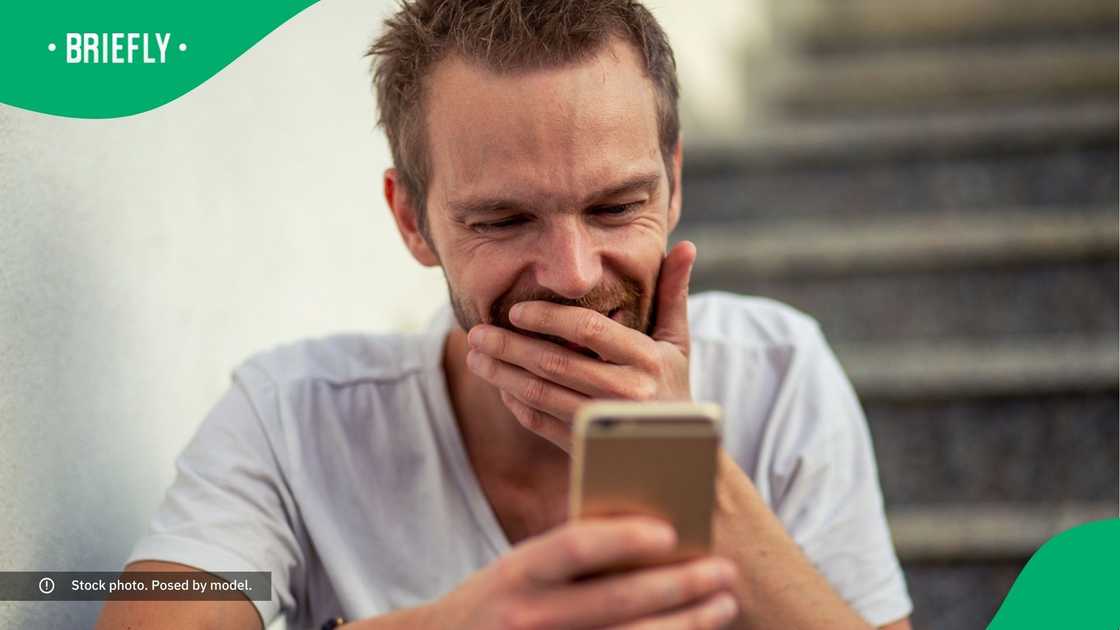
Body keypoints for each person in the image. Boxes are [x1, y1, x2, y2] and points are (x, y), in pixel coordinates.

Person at [97, 1, 913, 628]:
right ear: (412, 221)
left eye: (615, 206)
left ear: (672, 182)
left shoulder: (778, 371)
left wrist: (694, 480)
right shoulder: (291, 418)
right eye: (504, 220)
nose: (571, 276)